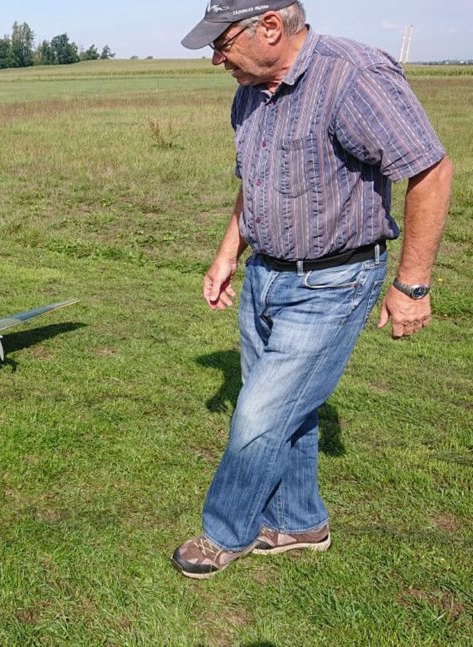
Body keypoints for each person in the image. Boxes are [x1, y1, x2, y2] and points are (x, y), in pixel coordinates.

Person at [173, 0, 453, 579]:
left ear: (270, 26)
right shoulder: (249, 93)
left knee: (258, 415)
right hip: (265, 277)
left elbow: (429, 169)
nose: (216, 59)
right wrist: (229, 254)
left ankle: (226, 532)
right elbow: (252, 184)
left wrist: (413, 286)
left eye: (221, 44)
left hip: (334, 280)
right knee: (289, 412)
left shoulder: (353, 76)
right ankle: (302, 522)